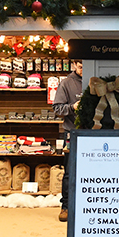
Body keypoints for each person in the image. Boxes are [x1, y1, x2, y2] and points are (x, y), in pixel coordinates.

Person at [51, 60, 82, 221]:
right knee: (70, 172)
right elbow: (57, 108)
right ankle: (66, 206)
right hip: (72, 133)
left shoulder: (97, 80)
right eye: (80, 67)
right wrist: (72, 107)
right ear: (75, 65)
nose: (83, 70)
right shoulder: (66, 83)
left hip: (95, 134)